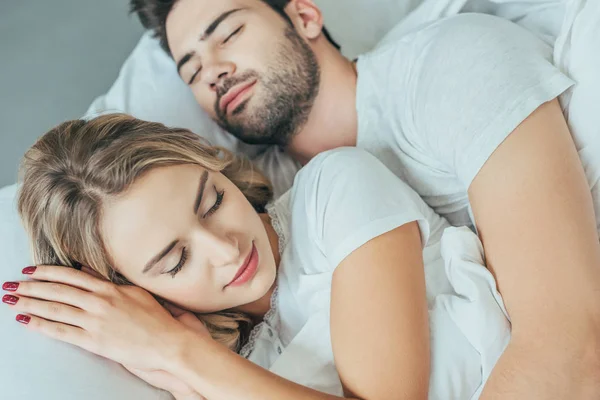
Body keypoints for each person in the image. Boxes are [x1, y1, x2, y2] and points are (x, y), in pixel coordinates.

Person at [129, 0, 600, 397]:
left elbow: (568, 342)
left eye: (228, 33)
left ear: (306, 16)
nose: (214, 72)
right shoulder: (270, 211)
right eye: (191, 71)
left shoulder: (447, 65)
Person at [5, 114, 510, 399]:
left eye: (212, 201)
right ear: (131, 288)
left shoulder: (334, 190)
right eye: (175, 262)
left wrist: (179, 354)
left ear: (213, 163)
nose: (226, 250)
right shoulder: (222, 363)